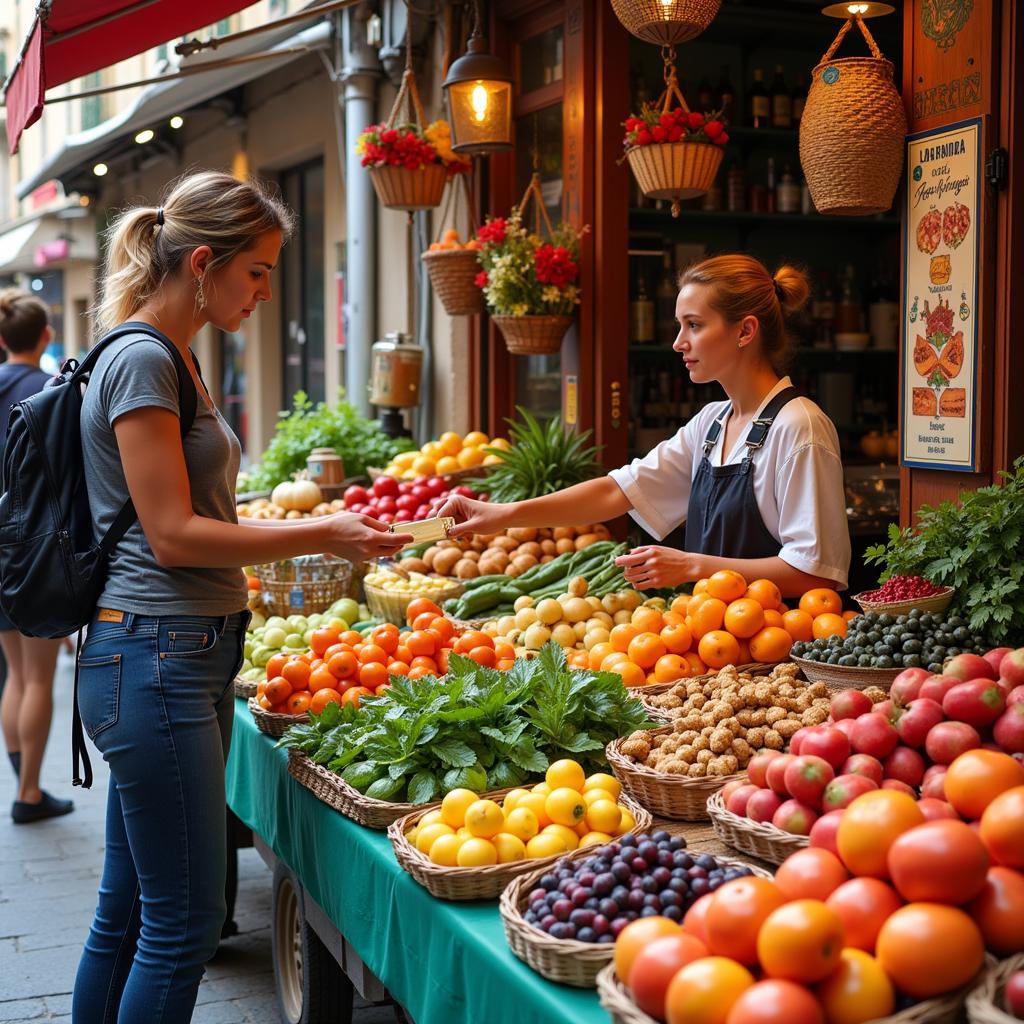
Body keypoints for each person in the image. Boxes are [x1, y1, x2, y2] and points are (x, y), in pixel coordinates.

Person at [71, 171, 412, 1024]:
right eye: (257, 271)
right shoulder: (147, 357)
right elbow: (173, 535)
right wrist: (322, 531)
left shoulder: (170, 352)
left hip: (173, 653)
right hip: (156, 658)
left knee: (129, 912)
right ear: (201, 262)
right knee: (182, 924)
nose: (265, 290)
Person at [440, 255, 850, 596]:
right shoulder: (713, 423)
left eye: (694, 325)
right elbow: (616, 491)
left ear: (745, 330)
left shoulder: (799, 428)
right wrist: (500, 514)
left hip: (782, 659)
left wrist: (691, 566)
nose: (678, 342)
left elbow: (818, 573)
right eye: (680, 325)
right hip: (715, 655)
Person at [0, 289, 73, 824]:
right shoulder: (48, 391)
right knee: (39, 678)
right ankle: (28, 791)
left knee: (15, 675)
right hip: (30, 550)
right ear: (46, 336)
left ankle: (20, 778)